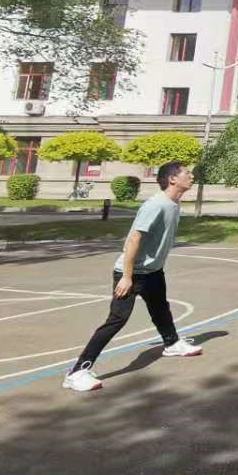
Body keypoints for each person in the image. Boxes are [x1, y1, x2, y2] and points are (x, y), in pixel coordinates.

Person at [62, 162, 204, 392]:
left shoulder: (174, 203)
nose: (191, 176)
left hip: (153, 272)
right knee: (117, 319)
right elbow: (134, 239)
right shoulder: (156, 205)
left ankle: (172, 343)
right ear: (172, 179)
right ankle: (77, 371)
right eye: (186, 173)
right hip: (131, 273)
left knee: (160, 309)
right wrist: (127, 277)